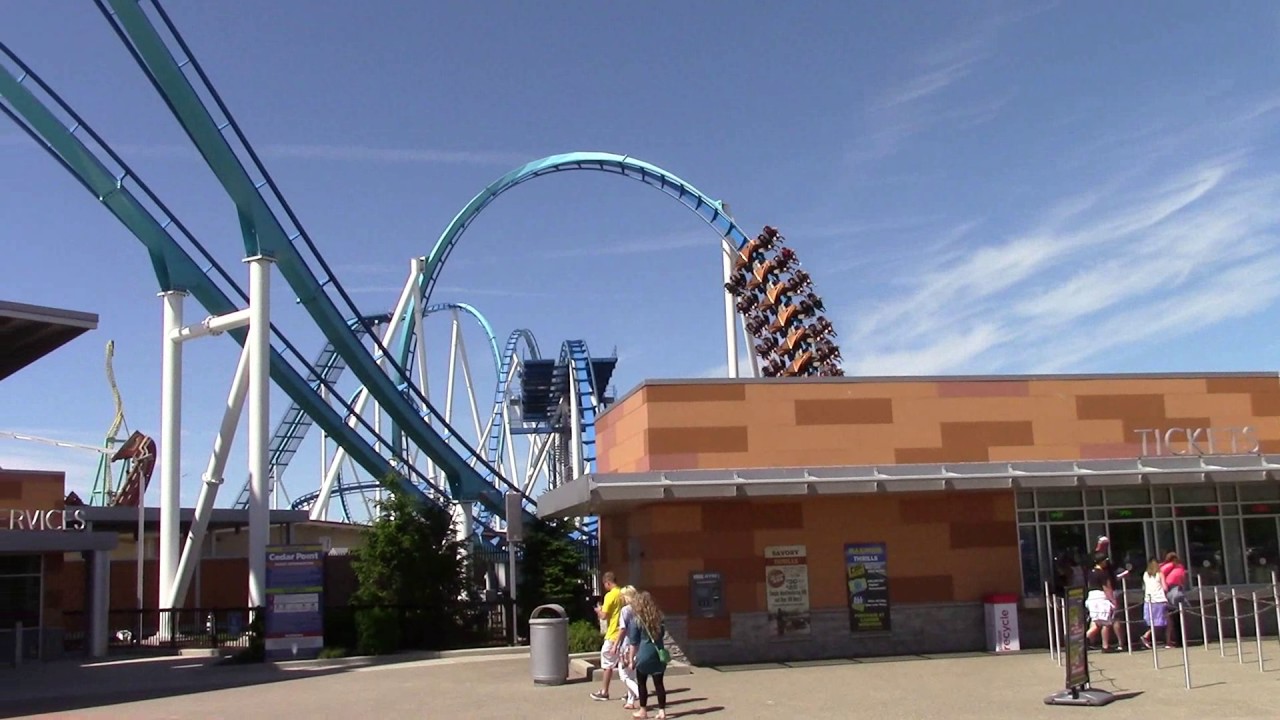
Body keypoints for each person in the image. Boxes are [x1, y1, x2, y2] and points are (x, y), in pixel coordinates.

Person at [626, 591, 669, 720]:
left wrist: (631, 660)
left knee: (642, 683)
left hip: (643, 655)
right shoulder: (660, 619)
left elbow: (633, 642)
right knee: (659, 684)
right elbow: (662, 635)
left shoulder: (637, 621)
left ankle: (643, 710)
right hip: (658, 654)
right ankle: (662, 712)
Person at [589, 571, 623, 702]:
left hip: (613, 633)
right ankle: (630, 692)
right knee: (624, 664)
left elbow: (604, 616)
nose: (605, 587)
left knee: (607, 663)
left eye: (605, 585)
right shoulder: (623, 593)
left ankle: (604, 691)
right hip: (623, 633)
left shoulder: (610, 595)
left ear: (608, 582)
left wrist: (598, 611)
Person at [1085, 554, 1118, 652]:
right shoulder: (1103, 573)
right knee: (1105, 623)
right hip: (1100, 598)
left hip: (1091, 597)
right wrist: (1112, 600)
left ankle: (1084, 640)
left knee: (1095, 622)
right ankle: (1105, 645)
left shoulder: (1090, 572)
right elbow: (1107, 588)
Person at [616, 586, 641, 710]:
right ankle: (630, 701)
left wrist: (615, 644)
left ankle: (640, 694)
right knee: (632, 674)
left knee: (624, 675)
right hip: (639, 644)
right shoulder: (640, 609)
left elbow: (622, 628)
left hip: (627, 644)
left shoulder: (626, 610)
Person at [1160, 551, 1188, 648]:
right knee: (1177, 618)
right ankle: (1180, 640)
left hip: (1169, 592)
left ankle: (1175, 640)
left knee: (1172, 618)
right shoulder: (1178, 567)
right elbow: (1183, 579)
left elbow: (1160, 573)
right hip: (1176, 591)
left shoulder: (1166, 566)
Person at [1139, 559, 1168, 648]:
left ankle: (1149, 637)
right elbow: (1165, 587)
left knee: (1152, 621)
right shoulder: (1160, 574)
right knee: (1159, 622)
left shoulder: (1145, 575)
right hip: (1159, 600)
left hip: (1148, 600)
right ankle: (1146, 636)